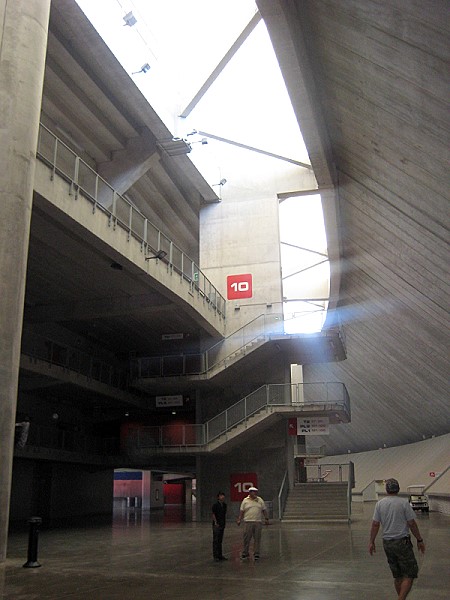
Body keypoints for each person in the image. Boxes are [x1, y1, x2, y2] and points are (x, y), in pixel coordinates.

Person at [368, 478, 425, 600]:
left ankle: (401, 597)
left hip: (387, 543)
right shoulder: (403, 503)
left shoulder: (380, 504)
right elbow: (412, 523)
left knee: (398, 576)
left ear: (387, 489)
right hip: (402, 542)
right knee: (409, 574)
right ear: (398, 489)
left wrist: (371, 541)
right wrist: (419, 540)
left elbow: (375, 524)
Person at [236, 486, 269, 560]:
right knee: (246, 538)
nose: (255, 493)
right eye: (253, 492)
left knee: (257, 538)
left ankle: (256, 553)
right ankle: (245, 553)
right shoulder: (245, 500)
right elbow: (242, 511)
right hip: (248, 522)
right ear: (250, 492)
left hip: (257, 522)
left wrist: (266, 518)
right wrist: (239, 519)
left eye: (255, 492)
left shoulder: (260, 500)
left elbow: (264, 510)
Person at [212, 491, 227, 561]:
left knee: (220, 540)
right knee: (216, 540)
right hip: (216, 524)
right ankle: (215, 556)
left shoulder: (224, 505)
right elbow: (213, 514)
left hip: (222, 523)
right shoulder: (215, 505)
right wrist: (215, 522)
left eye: (223, 495)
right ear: (218, 497)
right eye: (221, 495)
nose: (222, 497)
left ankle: (220, 555)